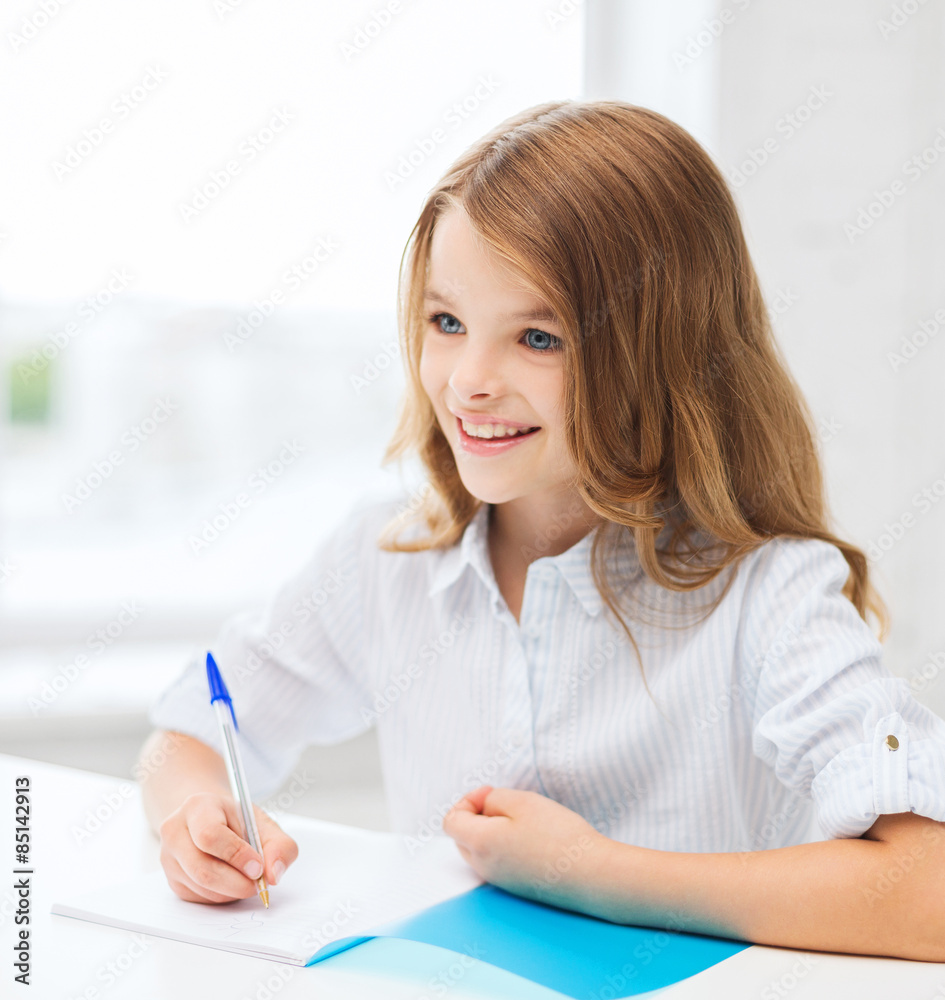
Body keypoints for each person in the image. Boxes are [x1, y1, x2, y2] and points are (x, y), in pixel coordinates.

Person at [137, 99, 945, 961]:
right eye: (447, 324)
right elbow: (189, 732)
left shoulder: (769, 595)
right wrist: (192, 818)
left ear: (661, 355)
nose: (469, 382)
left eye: (536, 337)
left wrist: (592, 869)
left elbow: (927, 889)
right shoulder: (389, 560)